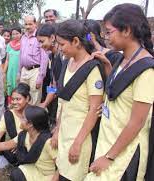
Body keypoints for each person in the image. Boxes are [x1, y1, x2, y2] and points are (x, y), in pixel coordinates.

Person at [84, 4, 154, 181]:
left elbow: (137, 122)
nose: (106, 38)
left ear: (127, 30)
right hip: (109, 139)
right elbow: (119, 92)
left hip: (124, 152)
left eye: (109, 32)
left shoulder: (146, 71)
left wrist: (109, 157)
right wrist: (108, 67)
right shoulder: (123, 59)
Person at [53, 20, 105, 181]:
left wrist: (78, 143)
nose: (60, 48)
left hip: (80, 136)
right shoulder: (67, 62)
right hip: (65, 132)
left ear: (76, 41)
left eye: (62, 44)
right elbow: (64, 102)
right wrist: (57, 129)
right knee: (61, 172)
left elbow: (94, 110)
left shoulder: (92, 68)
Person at [0, 105, 57, 181]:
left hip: (49, 176)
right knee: (16, 174)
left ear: (30, 124)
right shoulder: (24, 135)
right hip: (35, 169)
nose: (20, 119)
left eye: (23, 118)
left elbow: (61, 167)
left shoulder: (48, 142)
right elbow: (4, 145)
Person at [18, 15, 49, 105]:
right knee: (23, 95)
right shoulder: (23, 37)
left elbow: (44, 58)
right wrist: (19, 72)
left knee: (34, 97)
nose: (27, 26)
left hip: (35, 71)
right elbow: (21, 55)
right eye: (26, 24)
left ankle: (32, 118)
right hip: (24, 71)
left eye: (30, 24)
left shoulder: (39, 37)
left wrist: (40, 77)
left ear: (35, 24)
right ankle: (24, 117)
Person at [36, 23, 63, 128]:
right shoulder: (51, 56)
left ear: (52, 38)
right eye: (38, 42)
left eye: (42, 41)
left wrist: (45, 103)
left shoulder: (63, 57)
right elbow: (53, 84)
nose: (40, 45)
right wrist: (45, 103)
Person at [3, 27, 22, 99]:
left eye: (17, 33)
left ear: (21, 34)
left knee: (18, 89)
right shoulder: (9, 45)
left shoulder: (23, 45)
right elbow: (7, 60)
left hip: (19, 71)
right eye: (13, 34)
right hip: (10, 71)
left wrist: (19, 72)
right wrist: (4, 72)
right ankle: (10, 106)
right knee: (10, 88)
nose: (15, 36)